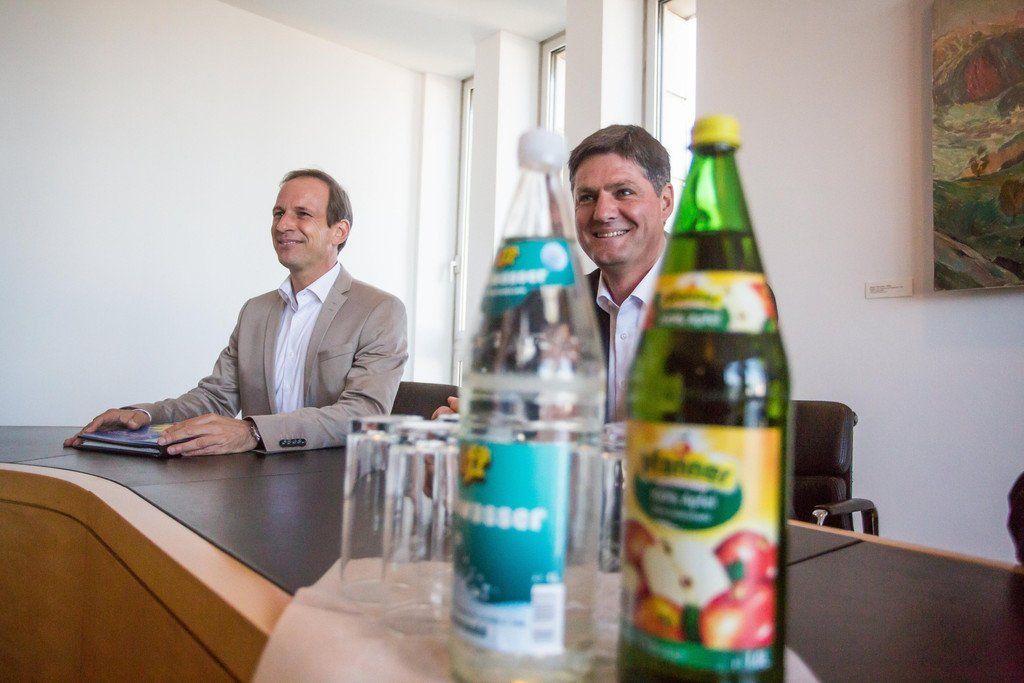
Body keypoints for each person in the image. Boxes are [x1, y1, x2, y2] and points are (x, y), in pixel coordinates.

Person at [65, 169, 408, 456]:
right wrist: (143, 415)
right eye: (278, 213)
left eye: (302, 214)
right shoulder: (255, 311)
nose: (282, 225)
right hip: (252, 487)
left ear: (339, 231)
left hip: (333, 489)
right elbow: (216, 398)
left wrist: (252, 432)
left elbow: (363, 415)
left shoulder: (379, 310)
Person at [433, 125, 673, 421]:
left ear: (665, 202)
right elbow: (530, 415)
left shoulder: (714, 301)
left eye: (624, 192)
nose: (602, 213)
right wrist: (485, 419)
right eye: (587, 197)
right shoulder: (554, 307)